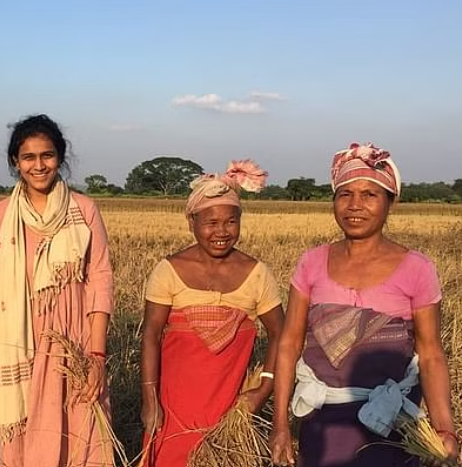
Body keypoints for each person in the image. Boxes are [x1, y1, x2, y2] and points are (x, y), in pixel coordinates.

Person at [270, 143, 460, 467]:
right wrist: (280, 427)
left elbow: (430, 354)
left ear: (391, 202)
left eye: (370, 195)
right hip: (322, 424)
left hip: (392, 424)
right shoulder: (311, 263)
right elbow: (288, 344)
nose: (354, 205)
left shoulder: (417, 268)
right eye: (345, 194)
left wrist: (445, 430)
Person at [0, 114, 114, 467]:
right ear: (15, 163)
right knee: (26, 439)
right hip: (18, 347)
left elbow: (100, 282)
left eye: (47, 156)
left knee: (81, 435)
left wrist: (96, 356)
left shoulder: (84, 210)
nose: (39, 165)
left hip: (74, 343)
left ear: (60, 159)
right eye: (29, 157)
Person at [139, 160, 284, 466]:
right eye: (211, 222)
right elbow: (150, 336)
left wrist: (264, 388)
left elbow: (281, 335)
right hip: (173, 408)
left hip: (231, 408)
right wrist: (150, 400)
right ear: (191, 222)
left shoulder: (257, 274)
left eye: (231, 222)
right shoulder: (168, 271)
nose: (221, 232)